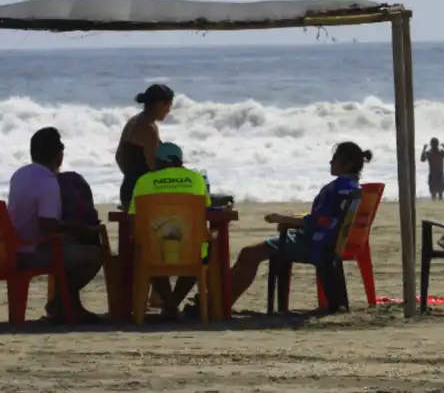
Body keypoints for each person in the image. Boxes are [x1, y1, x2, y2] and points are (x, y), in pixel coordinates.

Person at [223, 142, 372, 310]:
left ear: (348, 164)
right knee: (250, 253)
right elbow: (326, 219)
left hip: (314, 244)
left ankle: (221, 302)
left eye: (334, 159)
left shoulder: (337, 189)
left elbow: (318, 221)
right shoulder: (353, 188)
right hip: (327, 241)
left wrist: (283, 219)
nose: (330, 163)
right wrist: (293, 220)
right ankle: (221, 300)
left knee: (249, 253)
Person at [8, 127, 102, 323]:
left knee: (69, 246)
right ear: (57, 153)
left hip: (12, 247)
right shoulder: (48, 181)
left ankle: (68, 304)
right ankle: (60, 303)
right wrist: (77, 227)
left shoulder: (19, 175)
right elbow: (47, 226)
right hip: (32, 251)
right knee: (92, 255)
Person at [129, 142, 211, 318]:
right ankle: (173, 304)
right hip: (192, 251)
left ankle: (170, 305)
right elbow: (207, 209)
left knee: (148, 244)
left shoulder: (143, 181)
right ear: (179, 161)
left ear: (159, 161)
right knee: (203, 248)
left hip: (154, 252)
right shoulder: (196, 179)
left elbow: (132, 217)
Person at [116, 83, 174, 211]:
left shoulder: (133, 121)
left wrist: (130, 177)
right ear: (160, 104)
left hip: (127, 192)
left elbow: (119, 157)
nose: (169, 111)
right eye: (168, 105)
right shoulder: (150, 129)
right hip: (143, 195)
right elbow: (152, 165)